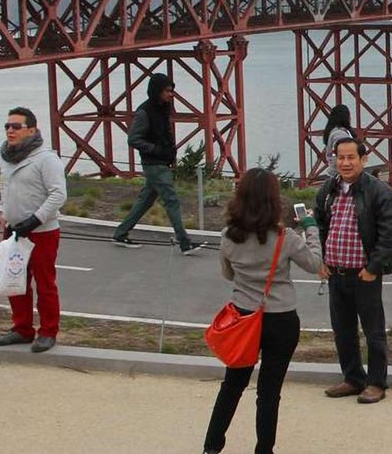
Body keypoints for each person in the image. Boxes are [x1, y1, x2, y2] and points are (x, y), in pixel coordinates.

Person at [203, 168, 324, 454]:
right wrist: (310, 226)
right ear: (274, 200)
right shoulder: (287, 238)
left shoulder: (228, 236)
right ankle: (264, 449)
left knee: (232, 385)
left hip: (243, 317)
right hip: (281, 319)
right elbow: (315, 263)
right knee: (269, 392)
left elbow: (228, 275)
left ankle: (212, 446)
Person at [315, 139, 392, 404]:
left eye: (351, 157)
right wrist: (322, 259)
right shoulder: (327, 190)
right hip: (336, 273)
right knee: (342, 330)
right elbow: (321, 227)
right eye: (340, 157)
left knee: (373, 331)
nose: (345, 163)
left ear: (364, 160)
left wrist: (373, 267)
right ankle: (352, 378)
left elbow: (391, 234)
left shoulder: (378, 191)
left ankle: (376, 382)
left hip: (364, 274)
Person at [0, 106, 68, 354]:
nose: (10, 130)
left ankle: (48, 332)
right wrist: (6, 214)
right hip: (14, 229)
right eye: (7, 126)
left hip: (42, 231)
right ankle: (21, 329)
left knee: (45, 282)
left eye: (16, 126)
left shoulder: (47, 159)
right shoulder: (6, 156)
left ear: (32, 130)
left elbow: (58, 194)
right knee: (15, 280)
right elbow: (6, 188)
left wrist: (35, 220)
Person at [112, 74, 204, 253]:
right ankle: (184, 243)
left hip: (162, 162)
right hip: (154, 164)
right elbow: (133, 139)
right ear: (157, 91)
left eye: (172, 91)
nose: (171, 95)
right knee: (171, 200)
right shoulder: (144, 113)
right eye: (167, 91)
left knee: (145, 200)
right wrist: (155, 150)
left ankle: (120, 233)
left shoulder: (163, 109)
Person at [321, 104, 355, 178]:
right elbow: (338, 155)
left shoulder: (334, 132)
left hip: (337, 173)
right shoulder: (339, 134)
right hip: (339, 175)